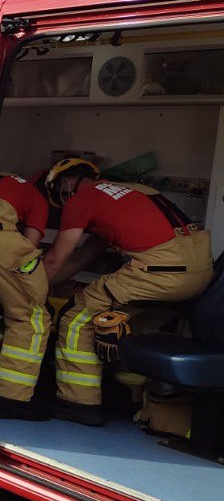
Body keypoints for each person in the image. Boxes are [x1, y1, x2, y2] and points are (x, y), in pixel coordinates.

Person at [42, 158, 214, 426]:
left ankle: (78, 403)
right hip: (199, 273)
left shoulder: (81, 200)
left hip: (161, 271)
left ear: (64, 183)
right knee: (127, 324)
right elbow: (80, 260)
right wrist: (49, 284)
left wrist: (32, 292)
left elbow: (55, 259)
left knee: (77, 317)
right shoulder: (134, 191)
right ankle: (130, 398)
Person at [0, 173, 51, 421]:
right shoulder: (39, 200)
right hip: (1, 240)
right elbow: (28, 249)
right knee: (31, 318)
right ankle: (9, 400)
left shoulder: (1, 179)